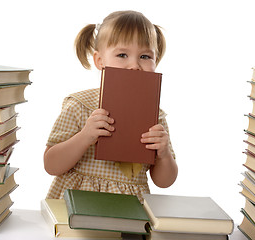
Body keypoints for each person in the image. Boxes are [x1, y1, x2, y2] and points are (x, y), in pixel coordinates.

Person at [44, 10, 178, 201]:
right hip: (79, 203)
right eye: (122, 54)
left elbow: (164, 181)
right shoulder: (79, 106)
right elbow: (51, 165)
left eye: (145, 57)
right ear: (100, 61)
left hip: (131, 207)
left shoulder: (155, 117)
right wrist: (85, 136)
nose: (134, 65)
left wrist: (163, 155)